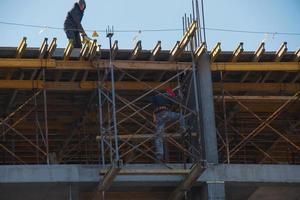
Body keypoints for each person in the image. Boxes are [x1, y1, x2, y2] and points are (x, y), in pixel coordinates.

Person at [152, 87, 186, 161]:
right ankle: (182, 127)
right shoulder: (167, 95)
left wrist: (154, 119)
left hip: (159, 116)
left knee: (158, 135)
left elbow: (153, 112)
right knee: (180, 116)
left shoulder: (155, 97)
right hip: (166, 113)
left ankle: (159, 153)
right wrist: (180, 93)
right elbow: (177, 100)